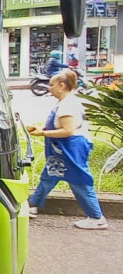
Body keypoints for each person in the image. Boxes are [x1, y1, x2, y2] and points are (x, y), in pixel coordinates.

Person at [27, 70, 108, 230]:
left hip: (71, 151)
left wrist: (43, 132)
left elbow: (68, 130)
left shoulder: (67, 105)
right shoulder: (66, 102)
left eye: (51, 85)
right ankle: (31, 205)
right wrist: (43, 128)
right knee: (49, 176)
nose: (49, 88)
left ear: (62, 86)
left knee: (80, 182)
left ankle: (96, 217)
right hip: (63, 151)